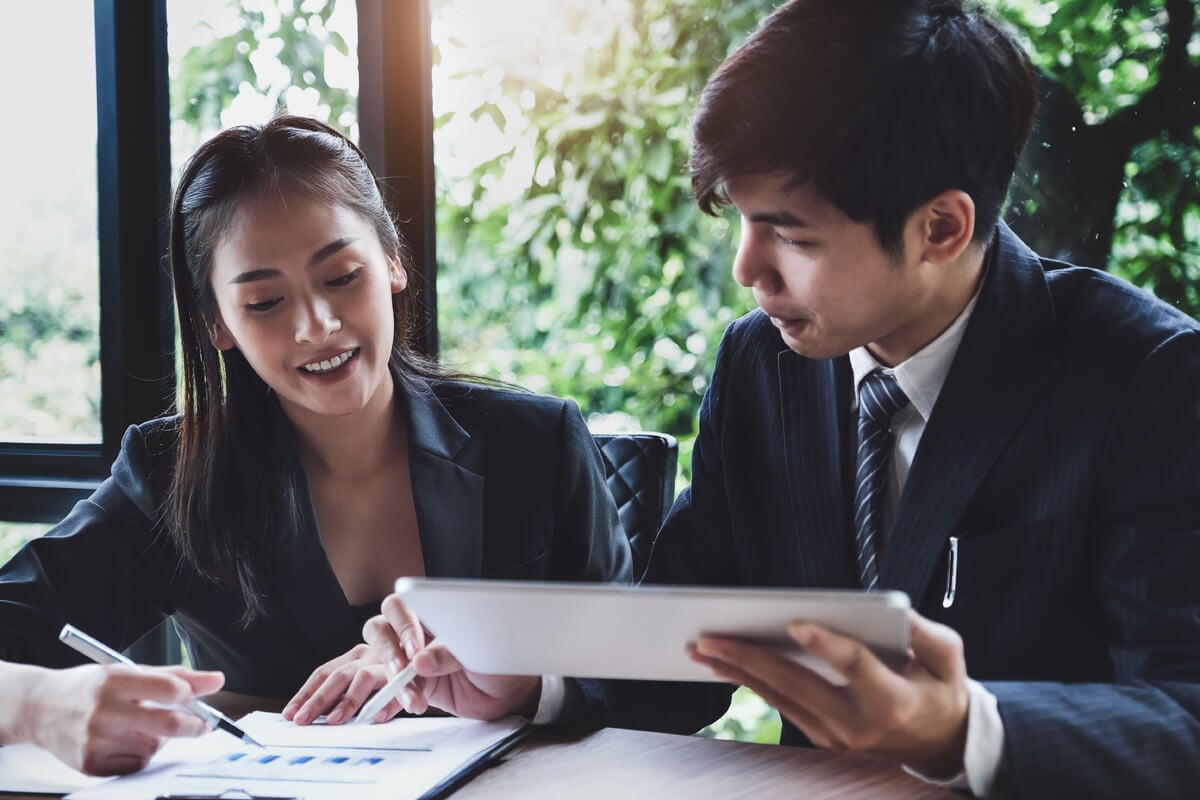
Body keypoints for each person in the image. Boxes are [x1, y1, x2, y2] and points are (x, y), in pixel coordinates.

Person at [566, 1, 1200, 797]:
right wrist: (534, 685)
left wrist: (966, 727)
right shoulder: (763, 361)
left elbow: (1185, 716)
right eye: (742, 221)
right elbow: (689, 642)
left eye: (792, 236)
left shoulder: (1148, 378)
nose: (747, 270)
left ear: (940, 227)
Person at [0, 115, 630, 776]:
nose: (317, 327)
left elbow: (645, 682)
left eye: (340, 278)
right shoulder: (171, 474)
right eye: (266, 302)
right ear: (217, 322)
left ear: (391, 260)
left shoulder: (535, 443)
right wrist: (38, 703)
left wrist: (530, 686)